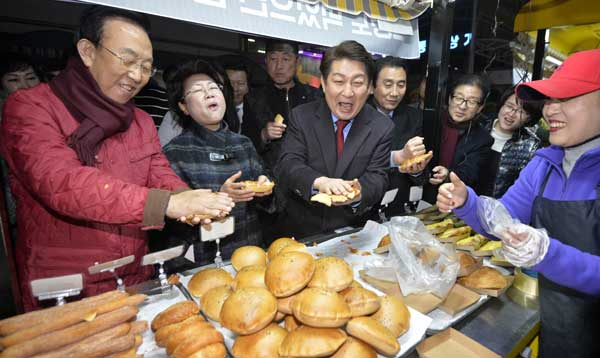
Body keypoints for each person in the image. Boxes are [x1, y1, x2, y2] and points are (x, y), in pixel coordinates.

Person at [0, 6, 233, 311]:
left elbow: (157, 171)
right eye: (127, 60)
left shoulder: (139, 120)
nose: (137, 75)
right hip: (67, 286)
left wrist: (188, 198)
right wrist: (168, 204)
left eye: (146, 66)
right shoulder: (32, 107)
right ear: (87, 51)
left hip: (136, 273)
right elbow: (61, 182)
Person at [437, 49, 600, 357]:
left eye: (565, 99)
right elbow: (504, 217)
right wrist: (467, 202)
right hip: (548, 320)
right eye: (549, 100)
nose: (551, 110)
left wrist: (547, 253)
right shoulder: (544, 164)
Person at [276, 40, 394, 238]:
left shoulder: (382, 127)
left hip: (353, 231)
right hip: (301, 228)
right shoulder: (301, 116)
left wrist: (357, 194)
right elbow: (288, 163)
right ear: (323, 82)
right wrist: (319, 181)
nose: (347, 92)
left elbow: (378, 177)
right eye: (338, 81)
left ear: (370, 88)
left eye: (357, 83)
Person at [163, 59, 274, 268]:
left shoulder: (244, 143)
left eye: (214, 87)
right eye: (198, 90)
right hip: (203, 262)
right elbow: (173, 222)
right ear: (184, 107)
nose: (209, 93)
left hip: (250, 252)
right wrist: (219, 197)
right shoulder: (174, 153)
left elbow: (269, 197)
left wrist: (264, 186)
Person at [241, 39, 320, 171]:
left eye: (285, 59)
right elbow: (244, 141)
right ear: (266, 61)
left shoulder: (314, 97)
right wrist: (263, 135)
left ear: (297, 62)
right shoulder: (254, 98)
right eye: (273, 59)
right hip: (268, 177)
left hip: (307, 173)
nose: (279, 66)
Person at [369, 57, 430, 216]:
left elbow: (422, 176)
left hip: (397, 208)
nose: (394, 92)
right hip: (360, 207)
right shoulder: (357, 115)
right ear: (372, 85)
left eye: (401, 85)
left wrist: (416, 171)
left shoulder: (415, 117)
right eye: (388, 85)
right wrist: (397, 157)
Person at [428, 74, 493, 189]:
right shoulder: (430, 121)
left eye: (472, 102)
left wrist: (448, 174)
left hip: (450, 196)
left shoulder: (482, 139)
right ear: (449, 98)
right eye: (458, 98)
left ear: (480, 108)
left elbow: (470, 172)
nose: (462, 106)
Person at [478, 86, 541, 197]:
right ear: (502, 105)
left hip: (500, 210)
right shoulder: (478, 127)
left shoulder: (530, 146)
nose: (511, 114)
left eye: (521, 111)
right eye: (509, 106)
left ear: (529, 118)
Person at [224, 62, 250, 133]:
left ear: (248, 86)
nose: (235, 89)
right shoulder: (216, 111)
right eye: (230, 83)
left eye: (240, 83)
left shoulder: (257, 111)